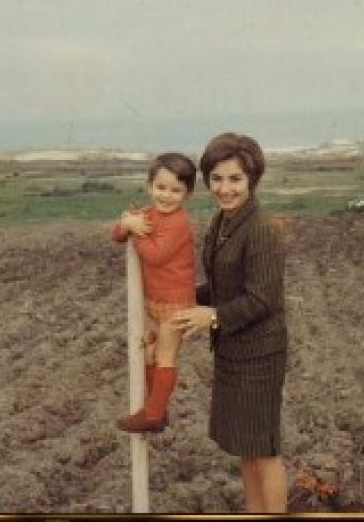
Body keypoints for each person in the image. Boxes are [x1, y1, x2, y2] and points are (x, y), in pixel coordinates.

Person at [171, 133, 289, 513]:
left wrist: (214, 316)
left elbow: (261, 299)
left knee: (263, 452)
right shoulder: (223, 222)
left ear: (252, 179)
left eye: (234, 179)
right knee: (245, 449)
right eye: (217, 179)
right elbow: (223, 285)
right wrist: (184, 299)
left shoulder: (261, 230)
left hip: (258, 356)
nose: (225, 188)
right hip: (233, 352)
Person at [113, 153, 198, 433]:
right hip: (155, 300)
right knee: (148, 353)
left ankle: (154, 413)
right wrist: (126, 224)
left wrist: (136, 231)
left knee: (165, 355)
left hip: (176, 303)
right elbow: (117, 235)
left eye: (176, 190)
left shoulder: (178, 223)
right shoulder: (148, 215)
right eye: (161, 188)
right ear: (149, 186)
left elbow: (156, 255)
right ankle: (154, 409)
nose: (167, 195)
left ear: (188, 193)